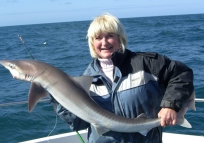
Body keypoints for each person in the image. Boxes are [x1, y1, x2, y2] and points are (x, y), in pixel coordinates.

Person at [53, 13, 194, 143]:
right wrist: (56, 95)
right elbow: (79, 123)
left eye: (109, 35)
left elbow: (182, 74)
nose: (104, 42)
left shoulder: (146, 63)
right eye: (98, 38)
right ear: (91, 42)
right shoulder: (86, 79)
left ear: (120, 38)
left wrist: (170, 105)